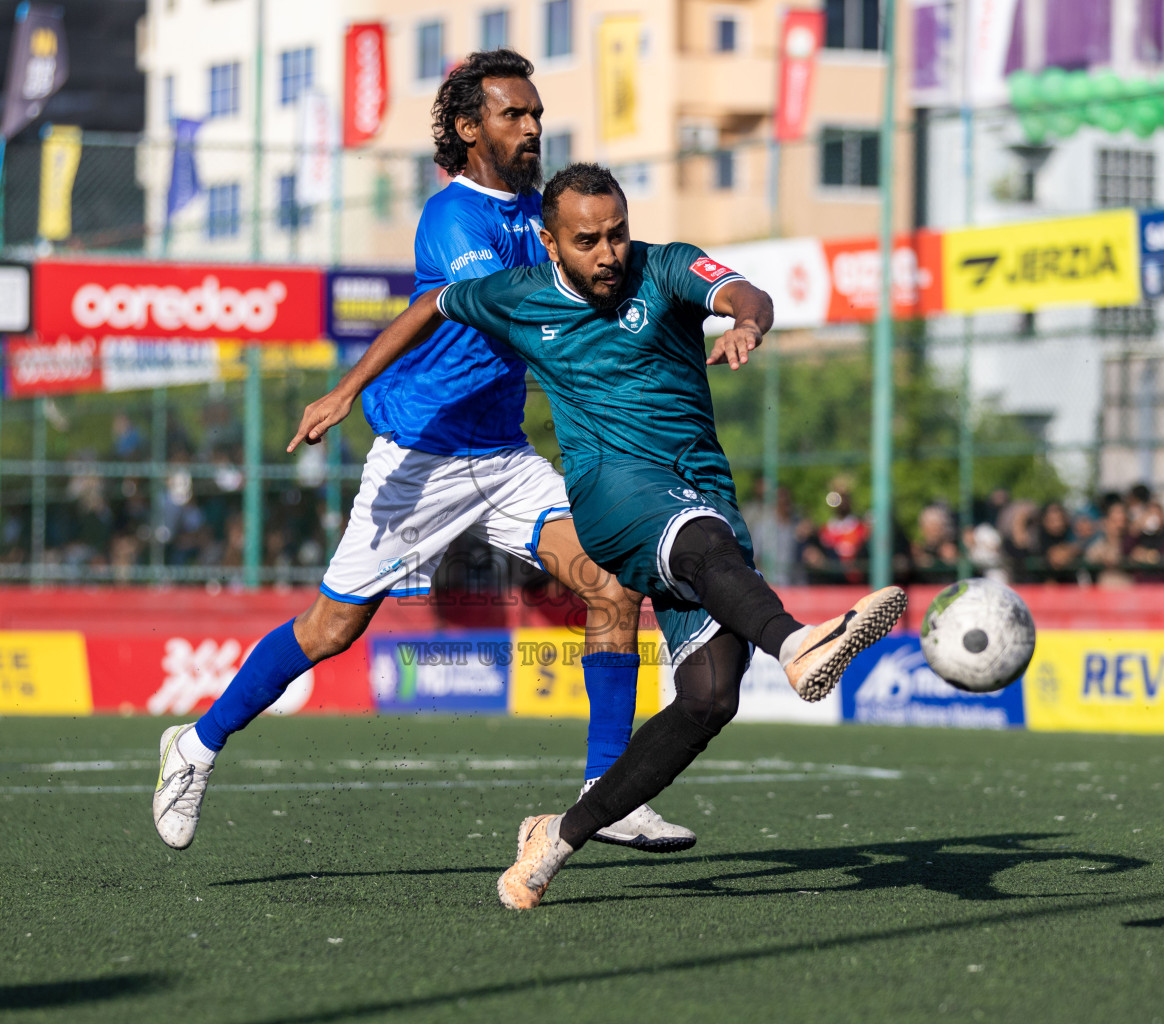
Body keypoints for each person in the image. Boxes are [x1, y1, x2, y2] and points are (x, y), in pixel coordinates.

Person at [292, 163, 905, 909]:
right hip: (611, 494)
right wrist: (347, 388)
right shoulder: (518, 296)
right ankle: (796, 644)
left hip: (698, 492)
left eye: (616, 233)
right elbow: (429, 306)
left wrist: (747, 322)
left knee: (710, 697)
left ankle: (555, 838)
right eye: (588, 241)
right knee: (700, 541)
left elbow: (747, 292)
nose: (609, 252)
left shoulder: (666, 266)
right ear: (550, 243)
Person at [152, 52, 693, 855]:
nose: (533, 126)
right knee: (333, 628)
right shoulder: (454, 220)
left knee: (611, 585)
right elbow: (496, 307)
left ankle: (604, 792)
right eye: (514, 115)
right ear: (472, 129)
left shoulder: (543, 212)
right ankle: (194, 747)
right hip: (421, 459)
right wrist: (344, 391)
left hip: (503, 456)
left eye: (537, 113)